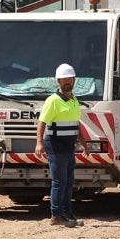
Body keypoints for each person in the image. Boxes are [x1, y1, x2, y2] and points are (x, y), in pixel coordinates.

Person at [36, 62, 83, 229]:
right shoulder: (53, 100)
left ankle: (67, 213)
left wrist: (84, 145)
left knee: (69, 181)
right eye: (64, 79)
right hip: (55, 146)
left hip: (69, 147)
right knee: (59, 182)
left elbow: (76, 125)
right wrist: (39, 142)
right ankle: (56, 215)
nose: (67, 81)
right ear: (58, 81)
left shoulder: (74, 99)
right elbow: (42, 122)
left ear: (74, 80)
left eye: (70, 78)